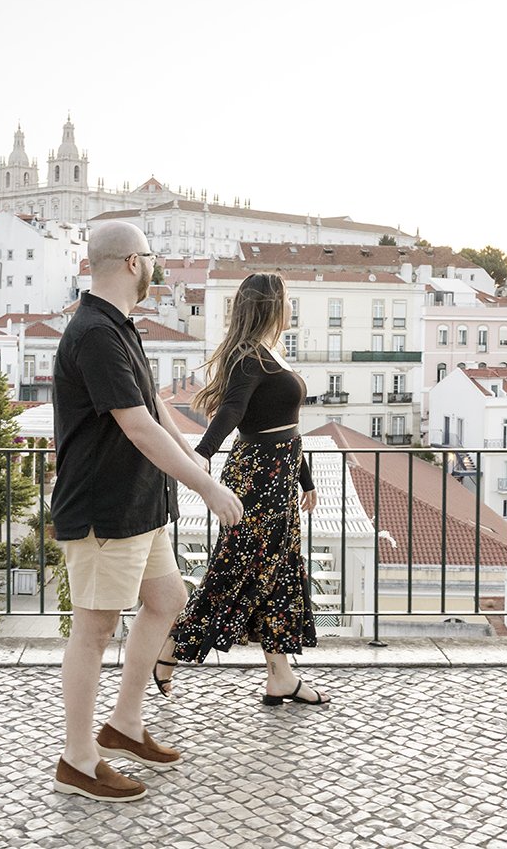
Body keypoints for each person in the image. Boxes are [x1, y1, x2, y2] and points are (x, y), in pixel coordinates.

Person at [49, 221, 244, 802]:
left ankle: (124, 724)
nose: (156, 265)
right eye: (153, 257)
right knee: (95, 628)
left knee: (167, 599)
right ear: (134, 262)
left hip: (138, 503)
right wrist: (205, 489)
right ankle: (78, 760)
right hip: (102, 508)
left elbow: (154, 405)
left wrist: (194, 459)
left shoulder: (118, 326)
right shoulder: (95, 334)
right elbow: (134, 426)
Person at [155, 271, 331, 707]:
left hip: (279, 476)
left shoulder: (272, 351)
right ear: (272, 305)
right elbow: (233, 410)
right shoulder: (250, 357)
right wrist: (202, 454)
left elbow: (284, 424)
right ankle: (171, 648)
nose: (292, 308)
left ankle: (280, 677)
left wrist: (304, 478)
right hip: (259, 480)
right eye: (288, 300)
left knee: (280, 575)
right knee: (238, 572)